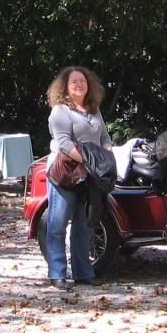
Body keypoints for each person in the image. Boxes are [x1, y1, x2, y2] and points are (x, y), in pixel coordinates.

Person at [45, 66, 112, 290]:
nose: (79, 85)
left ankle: (83, 273)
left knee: (84, 225)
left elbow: (105, 137)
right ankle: (57, 274)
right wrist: (91, 160)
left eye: (82, 81)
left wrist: (106, 157)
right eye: (73, 82)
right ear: (65, 86)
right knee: (58, 224)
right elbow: (64, 143)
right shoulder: (60, 111)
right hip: (64, 172)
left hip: (90, 174)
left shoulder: (94, 109)